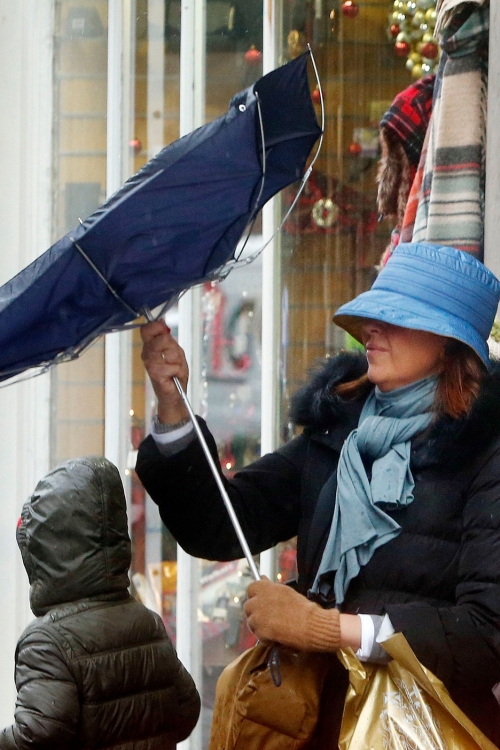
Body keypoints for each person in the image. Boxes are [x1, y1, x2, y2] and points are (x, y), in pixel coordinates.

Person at [136, 242, 500, 746]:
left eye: (394, 318)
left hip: (426, 732)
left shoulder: (485, 452)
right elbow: (221, 525)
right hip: (315, 724)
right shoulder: (339, 432)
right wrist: (173, 408)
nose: (371, 328)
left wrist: (327, 629)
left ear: (448, 343)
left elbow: (486, 633)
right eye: (372, 315)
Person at [0, 456, 200, 750]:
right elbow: (187, 710)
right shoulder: (147, 622)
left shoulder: (46, 641)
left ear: (46, 551)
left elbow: (38, 735)